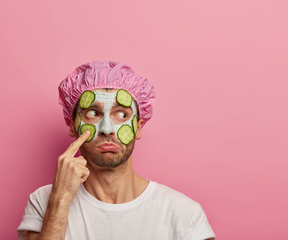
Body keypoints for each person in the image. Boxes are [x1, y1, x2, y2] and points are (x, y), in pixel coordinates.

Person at [17, 61, 216, 240]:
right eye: (93, 113)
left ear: (138, 127)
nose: (107, 129)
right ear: (72, 125)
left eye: (121, 114)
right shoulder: (44, 201)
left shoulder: (183, 213)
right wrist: (60, 200)